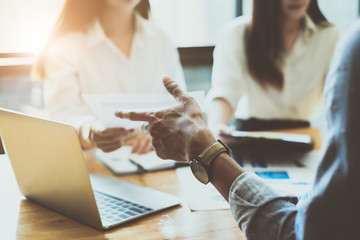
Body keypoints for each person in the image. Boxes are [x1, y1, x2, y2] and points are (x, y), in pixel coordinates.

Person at [115, 19, 360, 239]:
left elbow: (301, 233)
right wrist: (214, 131)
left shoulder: (347, 41)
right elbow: (225, 91)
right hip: (243, 138)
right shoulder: (237, 33)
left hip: (304, 141)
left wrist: (204, 148)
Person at [33, 0, 186, 154]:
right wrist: (90, 131)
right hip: (95, 166)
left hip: (158, 165)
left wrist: (158, 131)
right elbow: (63, 115)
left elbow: (181, 110)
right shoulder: (66, 47)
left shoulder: (162, 41)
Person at [206, 0, 339, 135]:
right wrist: (217, 127)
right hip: (249, 138)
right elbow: (225, 90)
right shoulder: (236, 33)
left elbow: (338, 95)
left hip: (303, 137)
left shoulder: (329, 36)